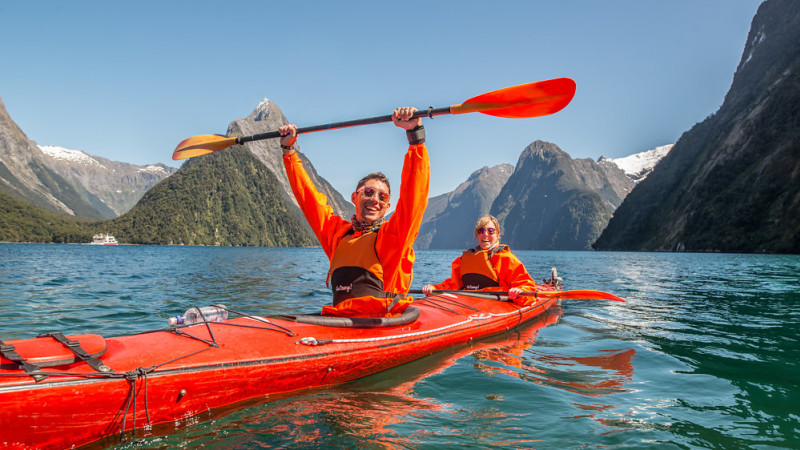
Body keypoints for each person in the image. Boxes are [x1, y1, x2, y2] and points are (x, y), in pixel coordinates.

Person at [279, 107, 429, 318]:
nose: (375, 199)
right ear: (354, 197)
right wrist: (289, 152)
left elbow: (414, 199)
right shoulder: (337, 235)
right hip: (339, 324)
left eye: (383, 197)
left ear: (387, 206)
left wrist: (415, 137)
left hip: (381, 329)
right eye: (368, 192)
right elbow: (309, 200)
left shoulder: (393, 238)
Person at [421, 215, 537, 305]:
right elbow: (453, 285)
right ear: (476, 235)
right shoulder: (462, 260)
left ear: (498, 235)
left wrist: (519, 290)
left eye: (491, 231)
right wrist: (434, 288)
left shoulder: (507, 259)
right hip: (468, 303)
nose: (485, 234)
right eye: (481, 231)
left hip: (498, 303)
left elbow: (528, 287)